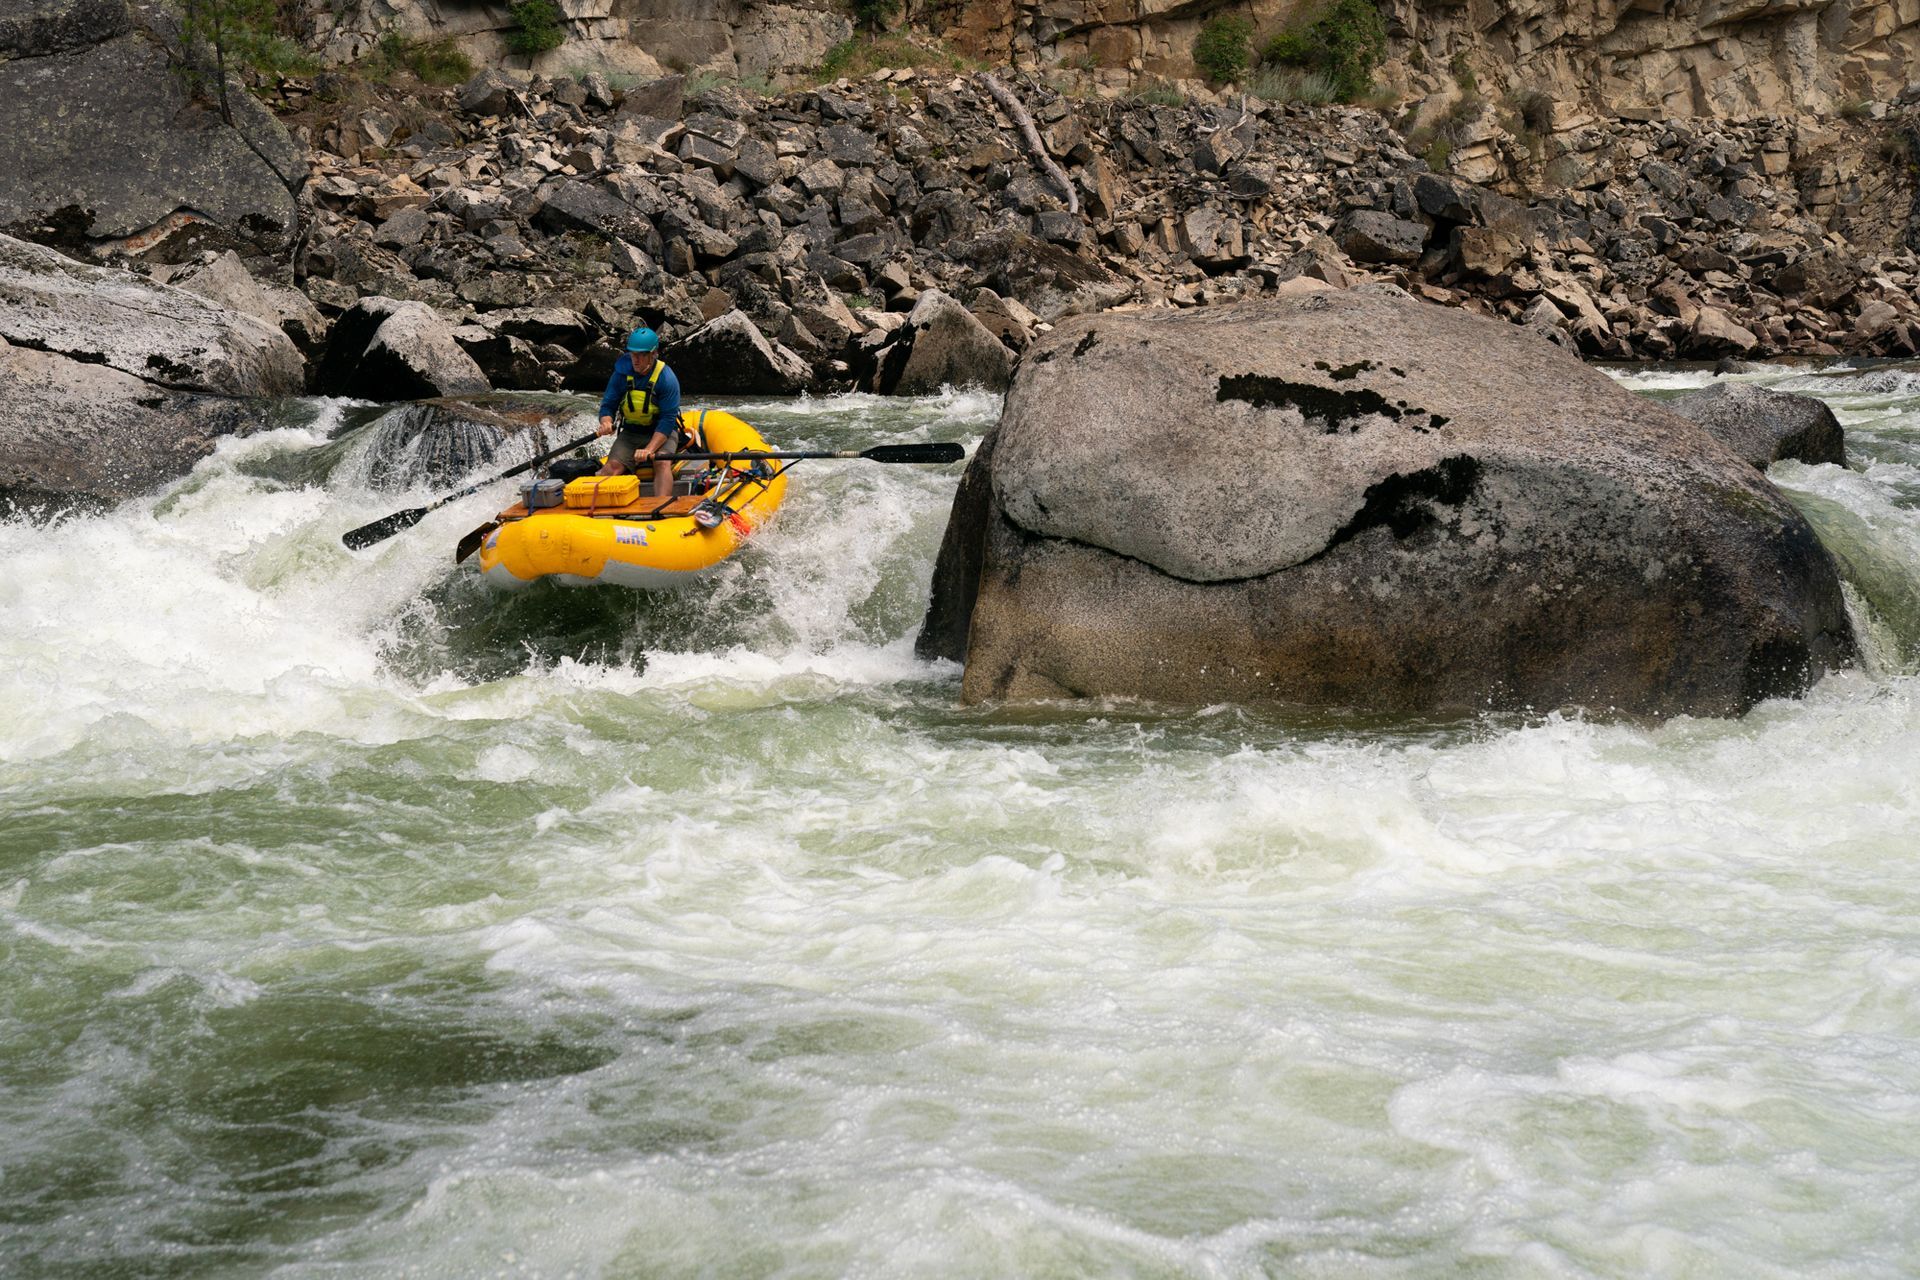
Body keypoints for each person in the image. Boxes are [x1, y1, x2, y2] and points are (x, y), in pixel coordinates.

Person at [596, 327, 684, 498]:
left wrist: (649, 449)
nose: (635, 360)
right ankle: (601, 512)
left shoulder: (666, 378)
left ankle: (660, 508)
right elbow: (608, 405)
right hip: (631, 433)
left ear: (653, 354)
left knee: (661, 462)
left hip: (661, 432)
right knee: (611, 467)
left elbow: (667, 420)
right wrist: (606, 422)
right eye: (632, 354)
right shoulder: (621, 374)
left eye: (641, 355)